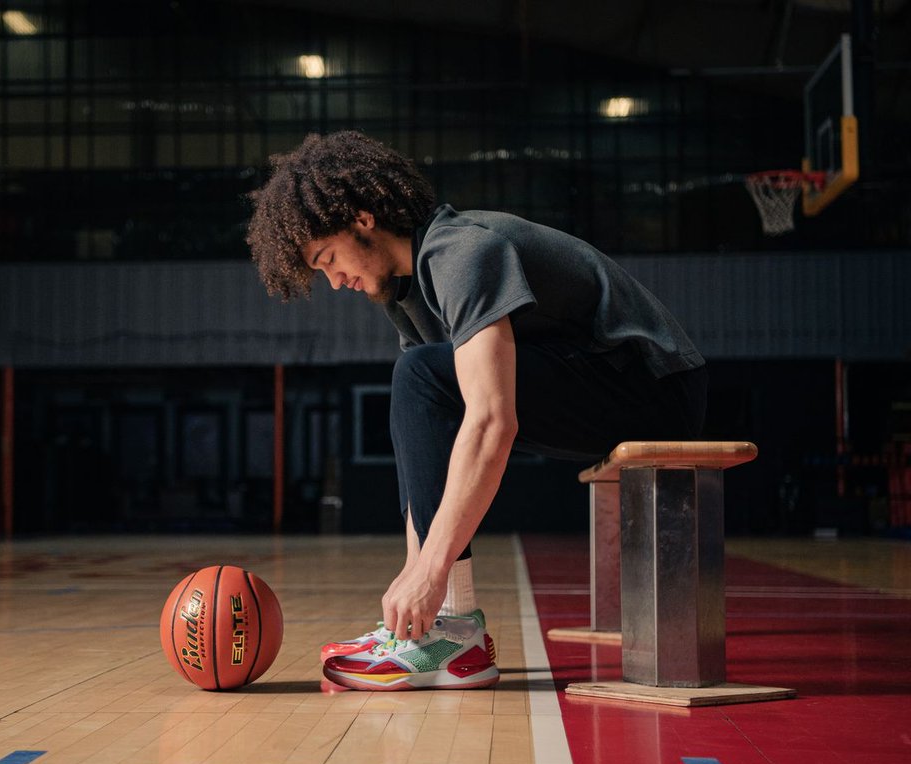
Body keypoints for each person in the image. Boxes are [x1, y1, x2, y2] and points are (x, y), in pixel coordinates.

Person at [246, 131, 707, 691]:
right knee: (419, 381)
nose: (335, 281)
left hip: (655, 384)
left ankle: (453, 631)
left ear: (363, 219)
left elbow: (493, 420)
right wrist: (416, 583)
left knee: (418, 375)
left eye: (328, 259)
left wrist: (431, 573)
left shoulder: (461, 251)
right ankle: (442, 634)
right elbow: (432, 444)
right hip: (598, 382)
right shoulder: (405, 292)